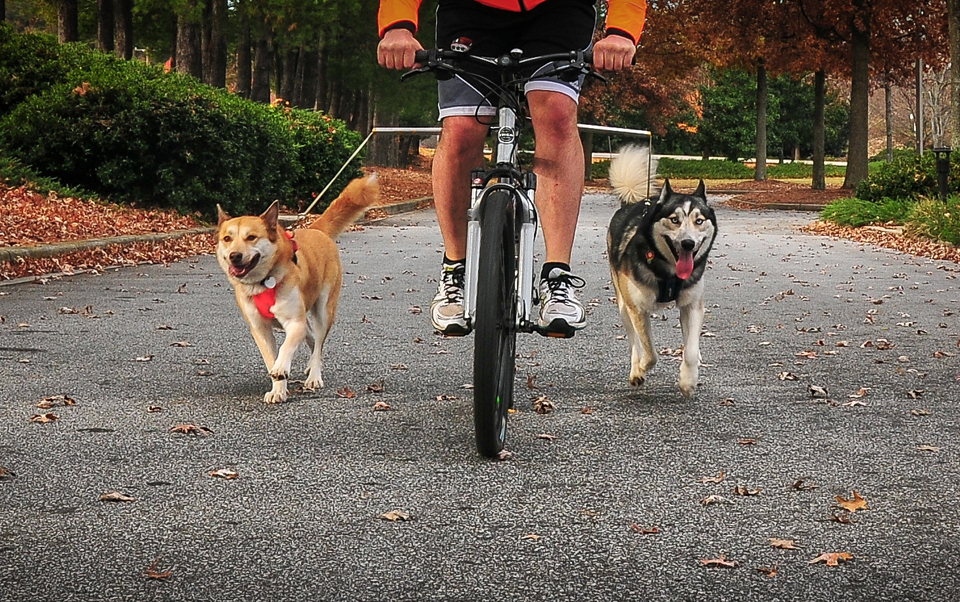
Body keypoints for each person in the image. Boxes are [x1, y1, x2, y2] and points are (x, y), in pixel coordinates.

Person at [377, 0, 646, 336]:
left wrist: (621, 31)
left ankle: (557, 276)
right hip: (472, 12)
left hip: (558, 12)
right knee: (461, 129)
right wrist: (397, 25)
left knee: (557, 115)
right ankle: (455, 271)